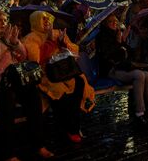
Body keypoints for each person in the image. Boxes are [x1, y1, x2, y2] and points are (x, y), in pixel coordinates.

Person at [0, 10, 53, 161]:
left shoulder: (7, 35)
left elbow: (23, 56)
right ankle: (8, 153)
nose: (4, 23)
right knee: (7, 104)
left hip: (15, 79)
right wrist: (4, 42)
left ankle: (38, 144)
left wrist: (16, 43)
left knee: (34, 98)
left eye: (5, 20)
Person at [23, 11, 95, 143]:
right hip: (47, 74)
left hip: (64, 71)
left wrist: (63, 42)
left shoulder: (57, 32)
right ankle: (70, 127)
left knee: (79, 82)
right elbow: (35, 60)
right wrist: (51, 42)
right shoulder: (31, 38)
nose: (46, 22)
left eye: (47, 19)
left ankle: (73, 124)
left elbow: (74, 50)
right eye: (42, 20)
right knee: (61, 94)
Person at [95, 14, 148, 131]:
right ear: (105, 24)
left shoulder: (117, 34)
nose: (114, 24)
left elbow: (128, 55)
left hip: (123, 68)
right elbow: (109, 56)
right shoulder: (102, 37)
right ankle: (139, 114)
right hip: (111, 69)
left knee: (147, 75)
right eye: (111, 22)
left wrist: (123, 42)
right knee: (139, 75)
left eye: (115, 21)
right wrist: (119, 43)